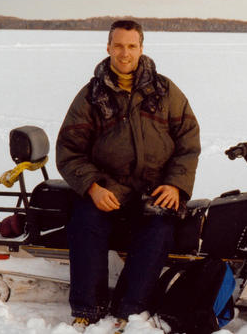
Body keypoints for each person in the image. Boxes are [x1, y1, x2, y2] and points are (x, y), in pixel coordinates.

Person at [56, 20, 201, 329]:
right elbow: (69, 151)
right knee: (85, 224)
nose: (125, 53)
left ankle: (130, 310)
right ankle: (87, 307)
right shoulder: (91, 96)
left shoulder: (165, 91)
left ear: (141, 48)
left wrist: (175, 185)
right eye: (118, 46)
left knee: (159, 232)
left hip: (154, 190)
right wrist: (93, 186)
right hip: (107, 189)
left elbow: (188, 143)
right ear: (108, 48)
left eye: (131, 46)